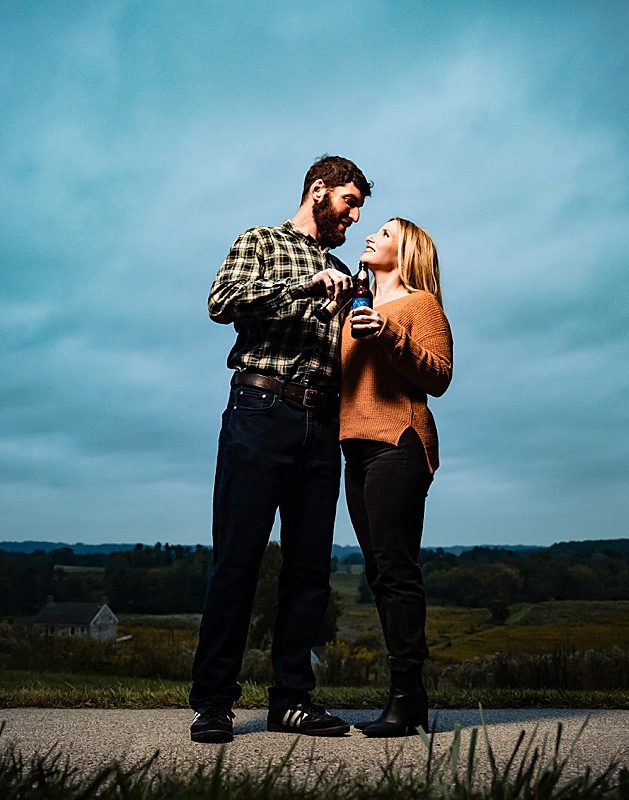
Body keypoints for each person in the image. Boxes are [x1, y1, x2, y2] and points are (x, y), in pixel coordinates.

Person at [190, 155, 373, 744]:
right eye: (348, 202)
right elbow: (223, 301)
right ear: (318, 191)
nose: (352, 216)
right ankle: (213, 703)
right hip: (260, 411)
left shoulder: (345, 269)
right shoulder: (261, 240)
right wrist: (304, 283)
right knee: (238, 559)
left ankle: (291, 700)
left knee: (310, 569)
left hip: (322, 422)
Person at [340, 217, 453, 737]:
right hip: (354, 450)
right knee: (380, 574)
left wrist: (390, 335)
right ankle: (409, 700)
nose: (370, 237)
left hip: (399, 443)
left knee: (397, 569)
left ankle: (407, 699)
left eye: (383, 234)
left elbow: (440, 375)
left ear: (406, 251)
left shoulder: (419, 304)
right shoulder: (351, 307)